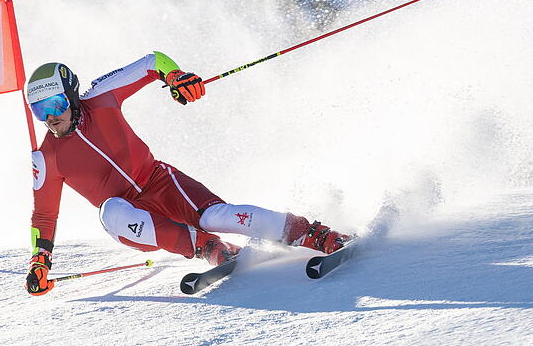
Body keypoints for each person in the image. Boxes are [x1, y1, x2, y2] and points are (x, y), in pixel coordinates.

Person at [24, 52, 351, 296]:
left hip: (159, 181)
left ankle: (313, 234)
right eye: (39, 110)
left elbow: (152, 61)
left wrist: (176, 77)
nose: (49, 118)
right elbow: (44, 215)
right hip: (135, 218)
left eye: (54, 105)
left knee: (216, 216)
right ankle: (208, 248)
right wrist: (40, 261)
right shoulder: (47, 156)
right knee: (111, 212)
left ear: (70, 95)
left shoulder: (100, 96)